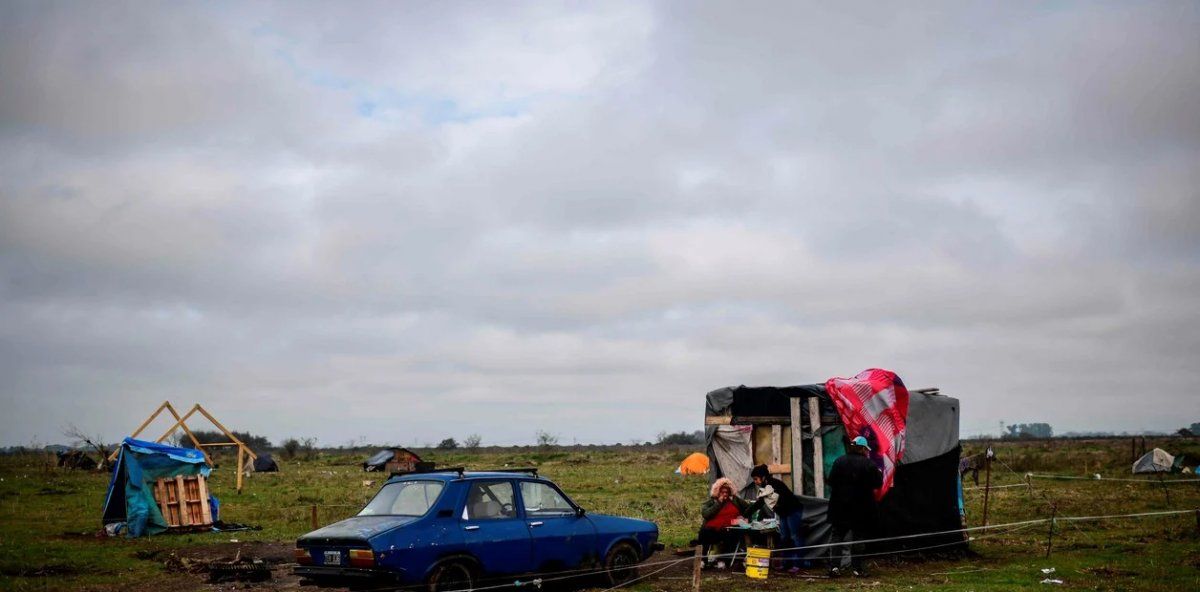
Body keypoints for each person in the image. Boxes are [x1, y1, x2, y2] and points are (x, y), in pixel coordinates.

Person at [826, 435, 883, 577]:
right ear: (863, 449)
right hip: (861, 509)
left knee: (837, 536)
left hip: (839, 508)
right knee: (858, 538)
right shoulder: (868, 464)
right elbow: (878, 484)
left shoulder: (839, 461)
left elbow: (831, 481)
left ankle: (834, 567)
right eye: (866, 449)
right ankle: (857, 569)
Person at [749, 464, 805, 574]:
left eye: (756, 479)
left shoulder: (774, 484)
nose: (755, 481)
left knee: (795, 536)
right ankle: (786, 563)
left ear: (763, 477)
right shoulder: (764, 488)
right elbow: (759, 503)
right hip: (783, 513)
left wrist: (777, 505)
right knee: (784, 537)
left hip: (793, 511)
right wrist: (745, 514)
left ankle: (798, 564)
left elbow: (784, 500)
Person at [697, 477, 750, 569]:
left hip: (729, 528)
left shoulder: (735, 500)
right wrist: (719, 502)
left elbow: (748, 508)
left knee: (730, 534)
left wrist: (743, 517)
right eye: (722, 492)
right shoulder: (712, 501)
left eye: (727, 492)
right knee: (704, 532)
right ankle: (703, 560)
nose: (725, 494)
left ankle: (722, 560)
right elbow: (706, 514)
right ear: (717, 492)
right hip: (712, 529)